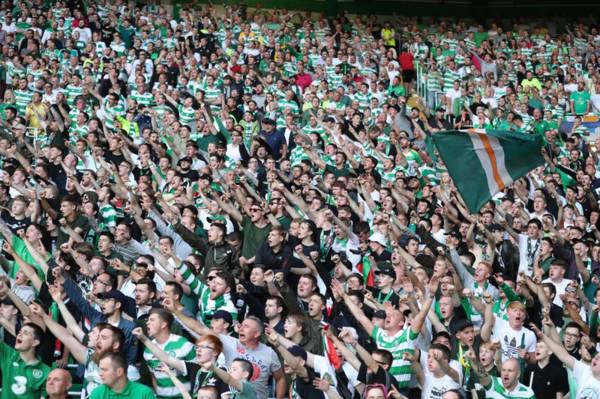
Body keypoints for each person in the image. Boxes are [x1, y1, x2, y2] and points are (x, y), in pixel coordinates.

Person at [89, 353, 156, 399]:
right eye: (100, 369)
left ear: (119, 372)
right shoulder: (97, 393)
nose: (100, 373)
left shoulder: (144, 393)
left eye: (104, 370)